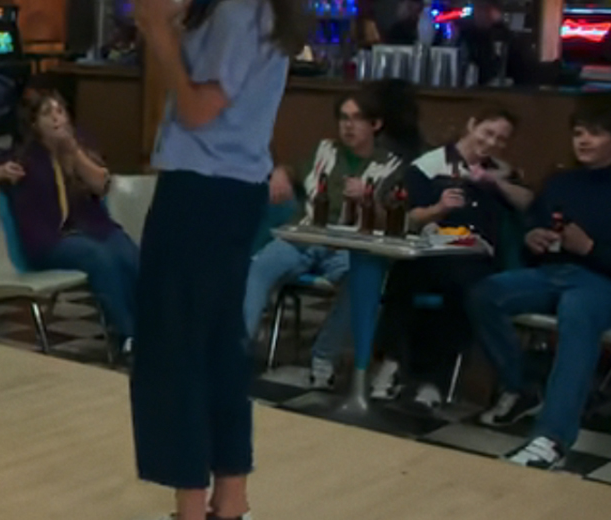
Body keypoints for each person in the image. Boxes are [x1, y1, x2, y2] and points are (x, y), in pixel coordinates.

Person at [130, 0, 308, 520]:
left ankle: (191, 506)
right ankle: (229, 502)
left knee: (175, 350)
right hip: (232, 194)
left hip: (199, 196)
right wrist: (172, 34)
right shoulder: (255, 10)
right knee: (215, 346)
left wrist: (159, 36)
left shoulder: (242, 14)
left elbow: (200, 109)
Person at [468, 98, 611, 470]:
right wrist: (532, 239)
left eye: (595, 134)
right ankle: (521, 386)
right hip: (552, 274)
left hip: (600, 283)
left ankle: (551, 439)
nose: (584, 141)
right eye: (578, 133)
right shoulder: (562, 181)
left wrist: (591, 248)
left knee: (576, 311)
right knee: (485, 293)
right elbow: (534, 228)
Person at [370, 107, 534, 409]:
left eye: (501, 139)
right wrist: (440, 209)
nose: (492, 143)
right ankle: (391, 363)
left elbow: (528, 202)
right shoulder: (429, 166)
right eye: (487, 133)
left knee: (465, 287)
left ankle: (434, 381)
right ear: (472, 124)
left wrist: (494, 182)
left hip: (477, 256)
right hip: (432, 248)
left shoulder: (501, 171)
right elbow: (410, 217)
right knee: (404, 274)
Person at [246, 91, 403, 387]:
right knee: (260, 265)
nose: (348, 126)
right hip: (303, 238)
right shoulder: (325, 150)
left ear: (376, 124)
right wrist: (280, 173)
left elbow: (394, 219)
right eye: (344, 118)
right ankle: (237, 348)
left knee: (359, 283)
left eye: (357, 119)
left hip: (348, 248)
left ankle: (323, 358)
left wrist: (370, 199)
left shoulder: (391, 166)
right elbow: (293, 170)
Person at [0, 90, 138, 356]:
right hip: (49, 240)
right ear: (35, 124)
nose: (56, 118)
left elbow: (101, 184)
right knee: (100, 258)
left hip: (90, 229)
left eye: (60, 111)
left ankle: (151, 327)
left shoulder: (79, 148)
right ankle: (127, 333)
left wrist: (73, 151)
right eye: (47, 114)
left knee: (126, 252)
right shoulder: (26, 156)